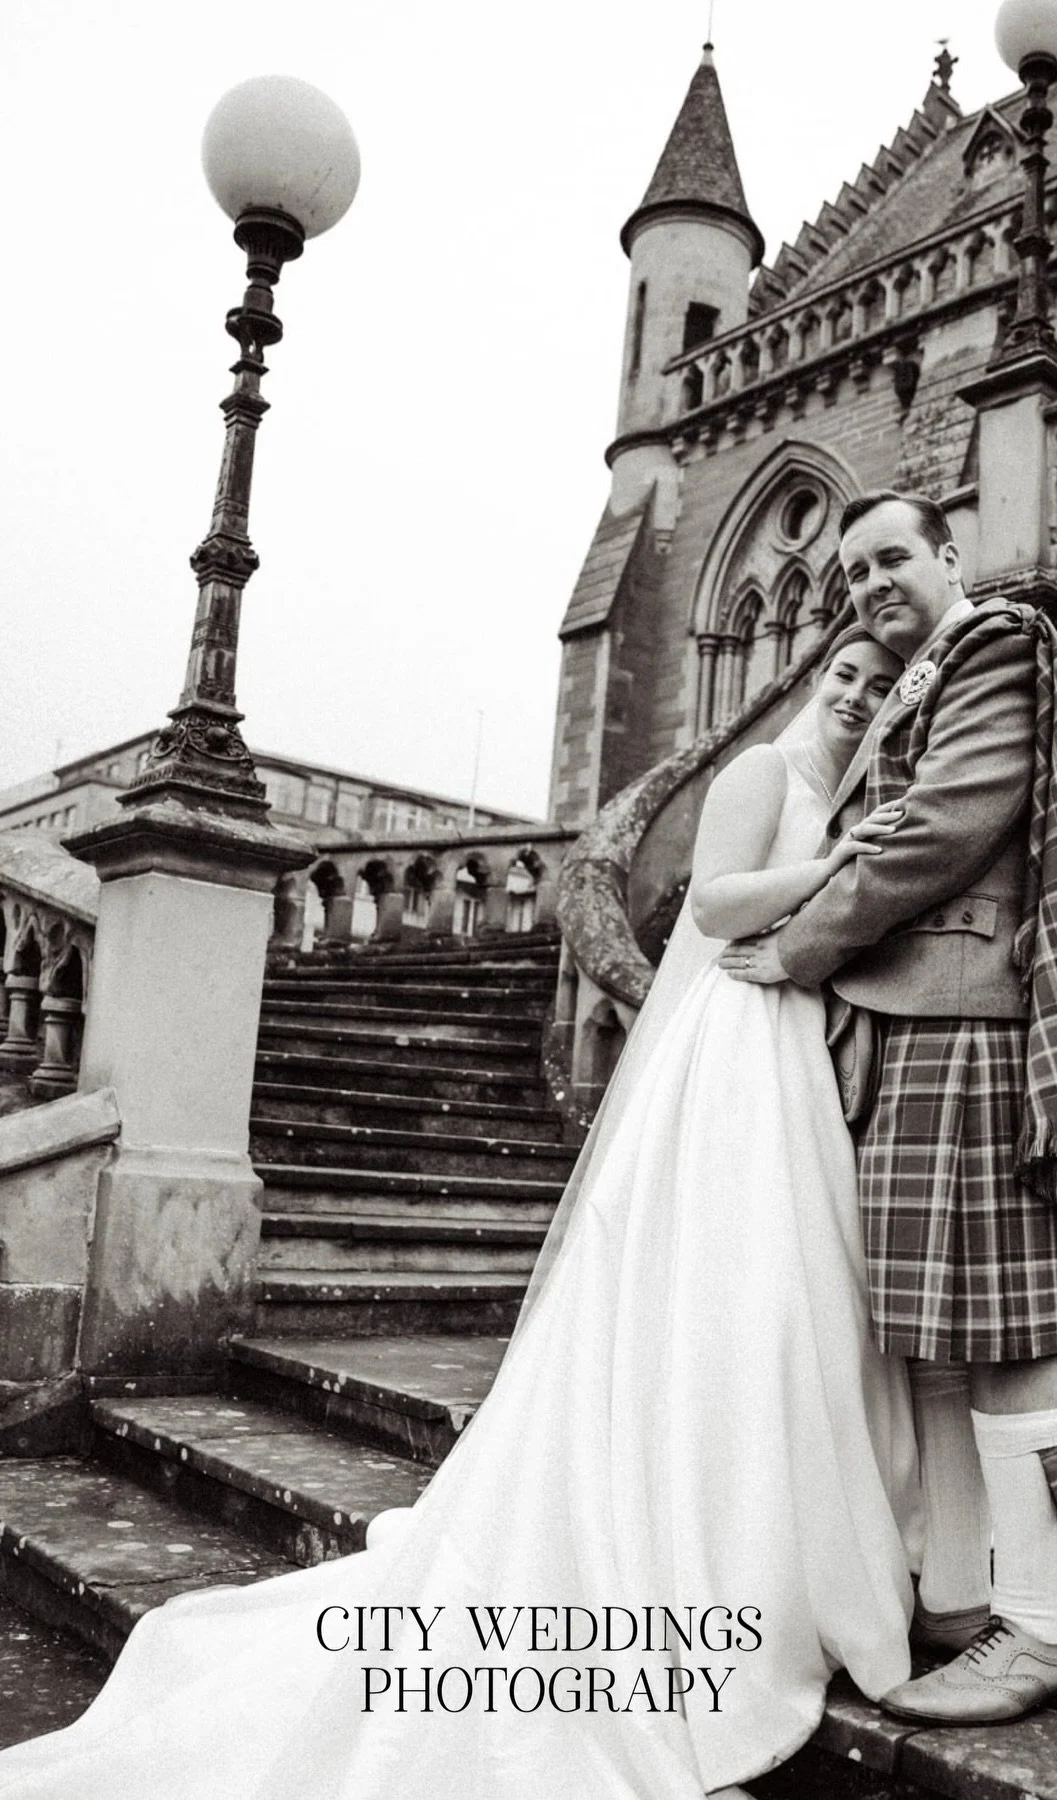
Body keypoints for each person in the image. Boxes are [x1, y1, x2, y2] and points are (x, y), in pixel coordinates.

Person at [0, 627, 921, 1800]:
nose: (853, 692)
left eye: (877, 683)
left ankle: (768, 1535)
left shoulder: (853, 791)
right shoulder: (764, 772)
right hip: (734, 1046)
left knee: (778, 1296)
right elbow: (723, 903)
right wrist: (837, 871)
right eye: (843, 671)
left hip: (785, 1044)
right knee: (731, 1282)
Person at [722, 491, 1057, 1727]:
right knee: (933, 1335)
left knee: (1008, 1327)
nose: (869, 584)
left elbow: (939, 829)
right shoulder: (912, 679)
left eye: (893, 558)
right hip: (903, 1031)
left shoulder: (993, 642)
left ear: (949, 557)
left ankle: (1037, 1629)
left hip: (967, 1024)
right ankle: (959, 1603)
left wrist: (797, 948)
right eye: (852, 573)